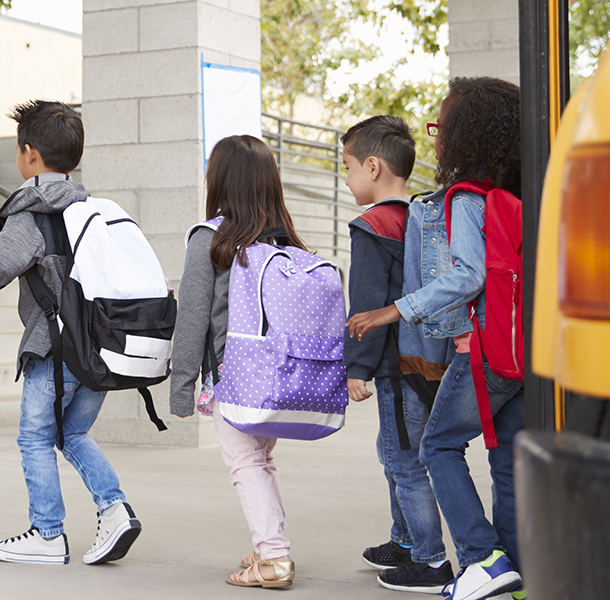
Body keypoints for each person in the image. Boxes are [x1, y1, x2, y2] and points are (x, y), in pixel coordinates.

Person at [0, 100, 143, 566]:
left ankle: (47, 532)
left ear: (30, 153)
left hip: (56, 346)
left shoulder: (34, 210)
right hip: (101, 347)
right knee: (72, 432)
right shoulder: (91, 207)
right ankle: (115, 508)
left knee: (35, 437)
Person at [347, 77, 526, 600]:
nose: (437, 139)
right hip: (524, 349)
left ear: (468, 135)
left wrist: (392, 312)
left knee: (438, 445)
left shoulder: (467, 198)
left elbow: (467, 275)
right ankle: (515, 570)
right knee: (506, 457)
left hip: (489, 350)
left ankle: (481, 558)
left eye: (442, 127)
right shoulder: (515, 193)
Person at [169, 134, 310, 588]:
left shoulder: (210, 239)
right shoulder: (287, 242)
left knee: (244, 463)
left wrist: (181, 387)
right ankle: (267, 545)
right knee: (260, 460)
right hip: (280, 373)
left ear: (220, 180)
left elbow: (191, 319)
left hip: (235, 374)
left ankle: (274, 558)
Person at [337, 116, 455, 593]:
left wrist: (355, 368)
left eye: (346, 167)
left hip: (394, 363)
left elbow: (364, 305)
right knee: (396, 453)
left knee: (405, 460)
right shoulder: (422, 218)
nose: (345, 179)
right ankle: (403, 540)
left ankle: (429, 561)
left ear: (372, 166)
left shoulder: (372, 226)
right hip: (429, 357)